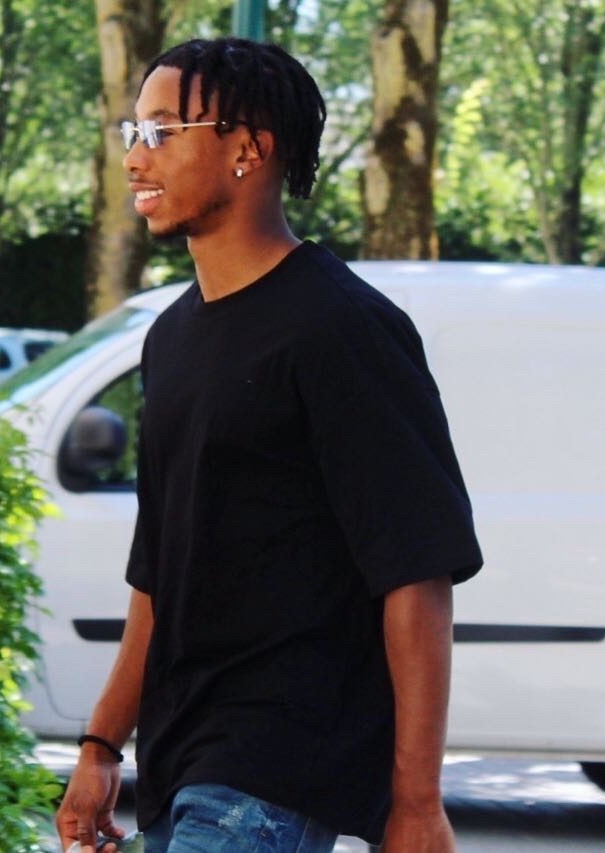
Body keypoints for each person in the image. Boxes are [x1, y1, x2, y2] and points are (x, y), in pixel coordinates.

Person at [55, 37, 482, 853]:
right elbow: (159, 569)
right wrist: (102, 745)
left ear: (248, 149)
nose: (136, 159)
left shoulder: (343, 328)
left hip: (276, 769)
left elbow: (416, 571)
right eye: (133, 132)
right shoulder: (170, 337)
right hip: (179, 760)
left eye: (163, 131)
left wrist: (417, 803)